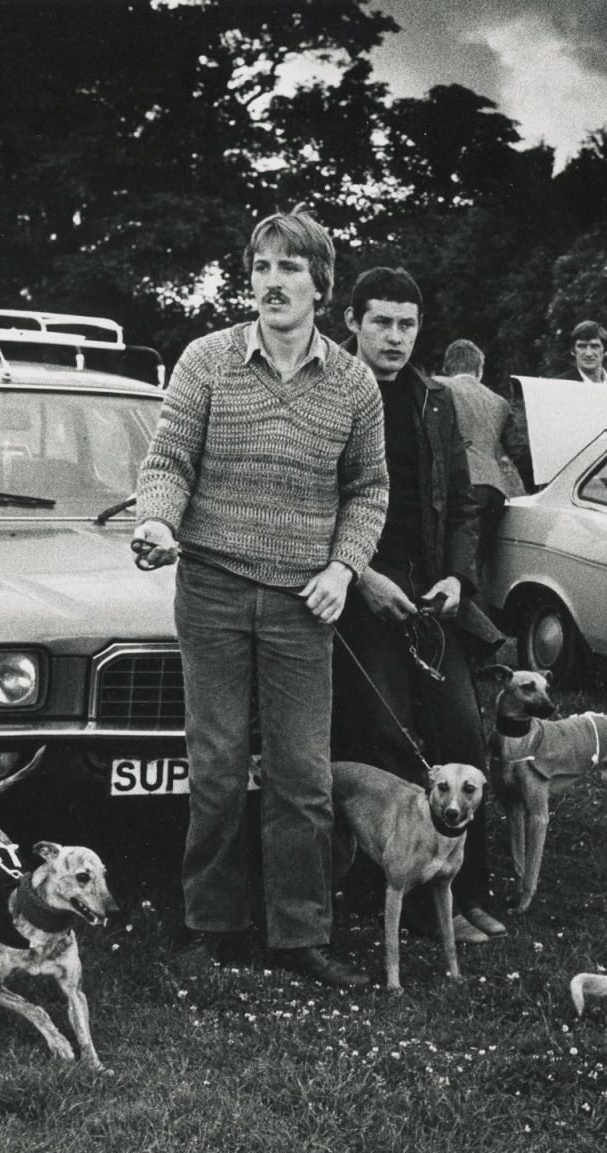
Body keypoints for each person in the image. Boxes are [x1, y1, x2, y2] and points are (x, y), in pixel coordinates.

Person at [132, 209, 388, 989]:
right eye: (260, 268)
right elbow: (168, 458)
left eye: (289, 268)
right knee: (213, 765)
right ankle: (211, 925)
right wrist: (154, 519)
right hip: (209, 585)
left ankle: (299, 934)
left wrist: (343, 568)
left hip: (302, 605)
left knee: (302, 777)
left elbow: (368, 489)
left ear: (321, 283)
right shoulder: (206, 361)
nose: (272, 283)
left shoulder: (354, 382)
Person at [334, 268, 506, 940]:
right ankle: (393, 894)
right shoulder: (327, 393)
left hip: (432, 592)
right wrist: (364, 575)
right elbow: (314, 503)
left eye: (408, 324)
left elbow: (465, 503)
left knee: (463, 731)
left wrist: (459, 579)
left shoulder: (435, 401)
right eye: (382, 321)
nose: (396, 336)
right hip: (359, 587)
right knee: (386, 735)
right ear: (353, 322)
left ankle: (465, 895)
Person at [435, 338, 525, 549]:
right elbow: (520, 452)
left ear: (447, 367)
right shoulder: (499, 401)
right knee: (480, 561)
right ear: (479, 369)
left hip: (455, 486)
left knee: (448, 561)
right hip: (494, 491)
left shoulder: (437, 387)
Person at [561, 320, 607, 384]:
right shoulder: (561, 383)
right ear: (572, 351)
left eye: (595, 346)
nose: (588, 354)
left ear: (606, 351)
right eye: (582, 346)